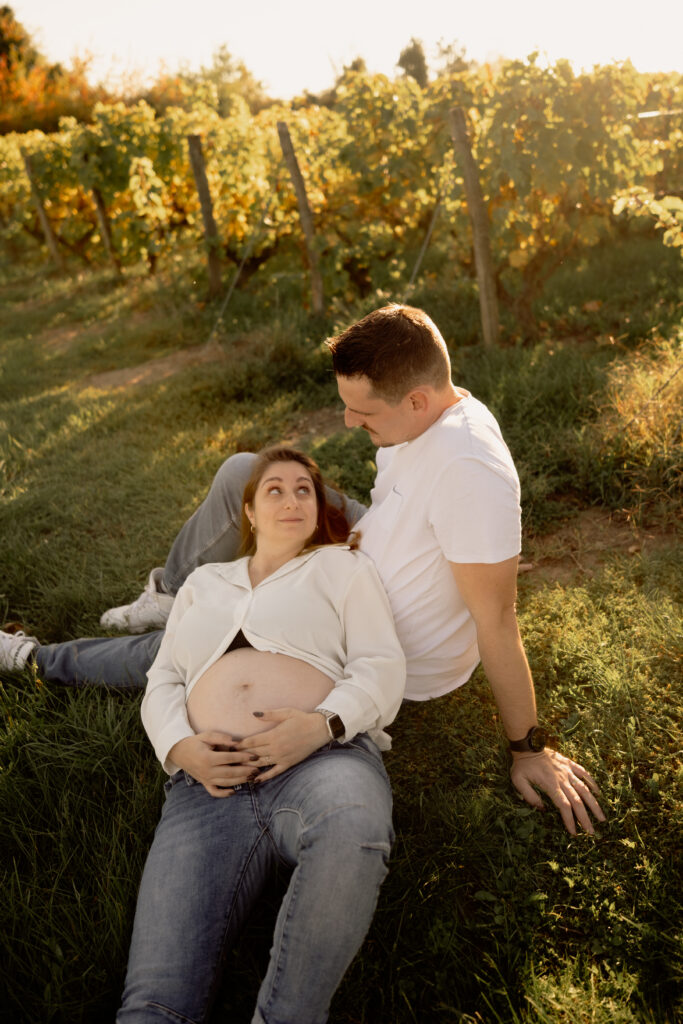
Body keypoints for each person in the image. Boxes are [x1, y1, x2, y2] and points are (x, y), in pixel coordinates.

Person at [1, 304, 605, 835]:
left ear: (416, 400)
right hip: (364, 549)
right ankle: (172, 590)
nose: (348, 423)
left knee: (184, 653)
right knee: (248, 472)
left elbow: (497, 618)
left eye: (361, 412)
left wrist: (529, 750)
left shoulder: (470, 474)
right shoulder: (436, 409)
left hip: (353, 623)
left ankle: (34, 660)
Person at [116, 444, 406, 1023]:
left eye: (305, 490)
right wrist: (180, 747)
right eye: (275, 489)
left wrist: (323, 725)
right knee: (153, 1006)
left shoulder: (343, 569)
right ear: (248, 510)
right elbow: (164, 678)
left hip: (324, 763)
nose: (293, 499)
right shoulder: (204, 582)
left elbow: (381, 665)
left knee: (353, 824)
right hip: (207, 787)